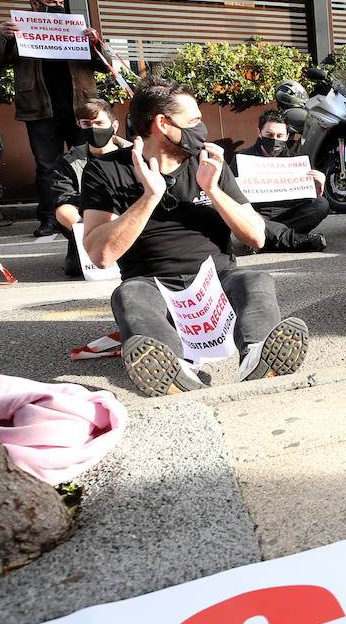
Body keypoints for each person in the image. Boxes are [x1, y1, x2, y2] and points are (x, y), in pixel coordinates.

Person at [80, 77, 309, 396]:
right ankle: (174, 370)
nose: (201, 130)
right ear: (163, 124)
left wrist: (213, 190)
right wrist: (149, 197)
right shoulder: (106, 170)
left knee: (255, 279)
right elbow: (99, 254)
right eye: (194, 122)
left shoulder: (209, 162)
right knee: (128, 295)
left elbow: (256, 236)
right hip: (152, 286)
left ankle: (258, 358)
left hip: (217, 283)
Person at [0, 0, 106, 237]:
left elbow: (105, 64)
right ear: (35, 4)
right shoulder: (20, 30)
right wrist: (3, 37)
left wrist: (96, 42)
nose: (59, 7)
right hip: (41, 110)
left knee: (87, 162)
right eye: (52, 3)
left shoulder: (76, 30)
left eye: (61, 3)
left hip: (80, 109)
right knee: (47, 167)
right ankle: (50, 219)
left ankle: (92, 212)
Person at [229, 110, 329, 254]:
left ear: (287, 136)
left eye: (279, 136)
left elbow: (312, 198)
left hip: (289, 215)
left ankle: (266, 241)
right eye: (269, 135)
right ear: (259, 133)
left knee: (322, 205)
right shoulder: (242, 159)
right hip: (257, 215)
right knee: (242, 216)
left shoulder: (297, 161)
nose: (274, 139)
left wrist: (319, 186)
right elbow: (232, 197)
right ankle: (295, 241)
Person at [52, 98, 132, 277]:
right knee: (63, 211)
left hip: (128, 219)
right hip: (89, 222)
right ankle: (89, 249)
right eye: (86, 124)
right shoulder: (68, 161)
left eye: (99, 123)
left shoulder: (135, 154)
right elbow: (63, 199)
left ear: (114, 125)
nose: (93, 128)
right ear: (79, 125)